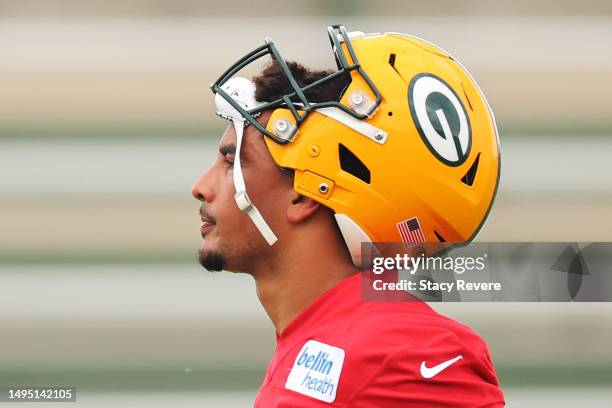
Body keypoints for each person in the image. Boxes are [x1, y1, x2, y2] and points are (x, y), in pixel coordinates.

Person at [192, 25, 504, 407]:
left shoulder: (406, 351)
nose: (201, 186)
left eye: (231, 160)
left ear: (304, 194)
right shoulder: (319, 339)